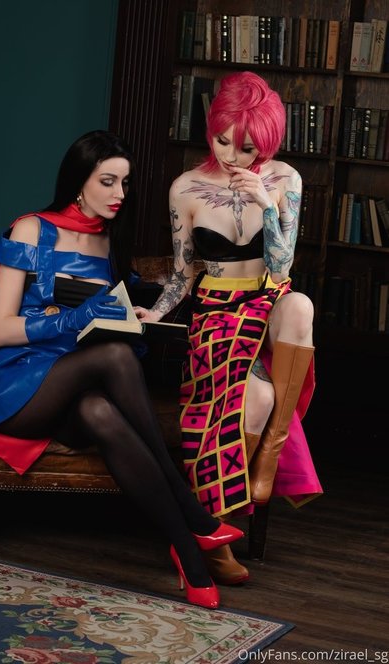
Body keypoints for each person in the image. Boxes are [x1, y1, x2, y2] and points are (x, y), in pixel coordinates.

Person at [0, 129, 246, 610]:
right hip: (19, 386)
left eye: (125, 183)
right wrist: (72, 319)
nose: (119, 193)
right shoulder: (31, 229)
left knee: (101, 410)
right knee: (115, 356)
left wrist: (137, 315)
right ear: (78, 181)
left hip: (76, 386)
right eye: (107, 181)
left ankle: (189, 553)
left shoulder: (109, 240)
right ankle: (193, 512)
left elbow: (114, 317)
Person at [135, 72, 322, 585]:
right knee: (255, 399)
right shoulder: (185, 188)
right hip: (217, 310)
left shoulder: (285, 180)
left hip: (268, 302)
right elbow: (182, 273)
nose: (232, 156)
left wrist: (265, 203)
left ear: (267, 142)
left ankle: (270, 456)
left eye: (247, 147)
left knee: (300, 304)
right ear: (210, 130)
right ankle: (218, 534)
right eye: (222, 140)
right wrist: (158, 311)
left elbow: (282, 268)